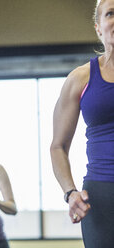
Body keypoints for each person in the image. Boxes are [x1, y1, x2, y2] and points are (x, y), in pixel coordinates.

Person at [50, 0, 114, 246]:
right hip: (101, 195)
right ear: (99, 27)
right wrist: (70, 192)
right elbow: (57, 146)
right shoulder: (80, 78)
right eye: (110, 14)